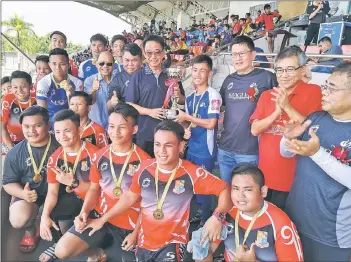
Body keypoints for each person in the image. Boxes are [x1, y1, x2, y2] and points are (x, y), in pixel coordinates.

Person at [78, 120, 232, 262]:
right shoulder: (144, 168)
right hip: (144, 241)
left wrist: (217, 217)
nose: (161, 151)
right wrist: (102, 219)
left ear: (181, 146)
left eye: (168, 145)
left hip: (173, 243)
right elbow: (130, 197)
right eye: (157, 144)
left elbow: (225, 189)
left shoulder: (192, 173)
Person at [281, 62, 351, 262]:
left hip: (330, 234)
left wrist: (317, 153)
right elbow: (286, 153)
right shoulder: (316, 117)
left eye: (331, 88)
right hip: (295, 220)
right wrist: (287, 138)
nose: (324, 92)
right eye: (325, 85)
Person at [54, 103, 150, 261]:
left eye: (122, 127)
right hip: (99, 218)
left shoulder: (145, 162)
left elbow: (148, 204)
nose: (115, 132)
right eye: (111, 126)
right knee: (62, 250)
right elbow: (93, 188)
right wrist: (84, 212)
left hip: (130, 226)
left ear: (134, 130)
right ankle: (97, 253)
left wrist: (136, 233)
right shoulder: (99, 155)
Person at [250, 46, 322, 209]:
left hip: (295, 177)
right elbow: (255, 129)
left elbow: (316, 130)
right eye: (280, 70)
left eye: (290, 69)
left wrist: (287, 106)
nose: (284, 75)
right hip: (266, 175)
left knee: (290, 225)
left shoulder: (313, 91)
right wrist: (276, 113)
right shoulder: (267, 95)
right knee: (267, 223)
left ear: (303, 70)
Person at [199, 164, 304, 262]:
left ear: (263, 192)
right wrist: (200, 250)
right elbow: (205, 251)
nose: (240, 195)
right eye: (236, 188)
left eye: (248, 189)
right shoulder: (225, 214)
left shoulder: (281, 224)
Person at [40, 109, 99, 261]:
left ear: (79, 129)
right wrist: (44, 217)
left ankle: (94, 249)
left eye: (67, 130)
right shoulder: (55, 158)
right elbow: (52, 192)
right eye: (57, 132)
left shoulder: (95, 154)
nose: (62, 136)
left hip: (96, 203)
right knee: (47, 211)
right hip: (75, 198)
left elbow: (98, 190)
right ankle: (61, 242)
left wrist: (73, 182)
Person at [218, 36, 277, 184]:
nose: (237, 58)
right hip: (225, 149)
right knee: (226, 191)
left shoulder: (267, 78)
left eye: (241, 54)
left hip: (250, 151)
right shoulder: (228, 80)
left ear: (253, 54)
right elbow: (222, 108)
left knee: (247, 196)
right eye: (233, 54)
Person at [2, 106, 60, 254]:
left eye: (37, 126)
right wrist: (23, 194)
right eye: (26, 126)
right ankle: (30, 230)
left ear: (48, 125)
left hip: (58, 194)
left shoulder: (60, 145)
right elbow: (8, 183)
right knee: (17, 219)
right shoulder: (14, 153)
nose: (31, 131)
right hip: (30, 196)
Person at [176, 55, 222, 225]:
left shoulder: (213, 95)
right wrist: (184, 126)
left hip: (205, 150)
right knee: (193, 185)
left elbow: (211, 124)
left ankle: (206, 220)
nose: (197, 74)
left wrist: (187, 116)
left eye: (202, 70)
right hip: (192, 148)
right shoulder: (190, 97)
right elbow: (190, 122)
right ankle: (200, 214)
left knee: (204, 186)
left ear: (209, 73)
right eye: (195, 70)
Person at [124, 35, 185, 157]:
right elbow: (129, 104)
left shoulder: (172, 75)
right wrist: (149, 112)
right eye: (149, 53)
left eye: (157, 52)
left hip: (168, 135)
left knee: (165, 171)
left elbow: (183, 101)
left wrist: (179, 96)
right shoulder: (138, 76)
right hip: (144, 134)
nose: (153, 57)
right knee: (145, 171)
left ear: (163, 52)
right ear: (144, 54)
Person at [36, 48, 83, 127]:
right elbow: (42, 111)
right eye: (54, 64)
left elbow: (77, 110)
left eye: (62, 64)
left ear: (68, 65)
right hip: (50, 124)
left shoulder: (77, 83)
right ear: (50, 65)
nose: (58, 67)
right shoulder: (43, 83)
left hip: (71, 123)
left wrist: (70, 95)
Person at [2, 71, 37, 150]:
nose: (19, 90)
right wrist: (11, 148)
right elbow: (2, 127)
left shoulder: (37, 98)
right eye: (15, 87)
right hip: (14, 141)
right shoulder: (8, 99)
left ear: (31, 87)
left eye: (23, 86)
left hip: (35, 138)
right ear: (11, 88)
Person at [84, 51, 115, 129]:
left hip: (114, 126)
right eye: (101, 63)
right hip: (96, 127)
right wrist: (93, 90)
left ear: (113, 65)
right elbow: (88, 103)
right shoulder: (89, 81)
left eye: (109, 64)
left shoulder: (118, 80)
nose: (105, 66)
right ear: (97, 64)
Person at [107, 43, 143, 110]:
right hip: (127, 117)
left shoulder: (148, 74)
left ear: (141, 60)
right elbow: (108, 105)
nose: (130, 64)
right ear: (122, 60)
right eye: (127, 60)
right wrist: (112, 102)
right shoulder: (117, 79)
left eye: (134, 60)